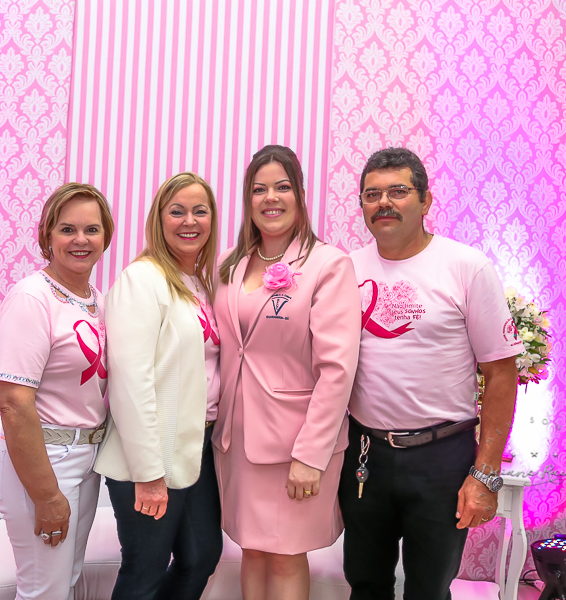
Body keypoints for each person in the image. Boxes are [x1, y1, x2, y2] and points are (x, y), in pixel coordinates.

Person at [339, 147, 522, 599]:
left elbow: (501, 374)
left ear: (425, 200)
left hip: (442, 458)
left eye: (398, 191)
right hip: (365, 455)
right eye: (372, 194)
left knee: (429, 589)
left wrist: (485, 474)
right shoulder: (345, 270)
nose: (384, 202)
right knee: (365, 584)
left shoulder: (467, 267)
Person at [213, 144, 362, 600]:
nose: (270, 198)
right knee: (253, 550)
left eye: (282, 187)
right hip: (236, 440)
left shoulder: (327, 264)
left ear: (299, 194)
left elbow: (337, 369)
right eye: (259, 189)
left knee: (285, 555)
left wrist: (311, 455)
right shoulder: (230, 264)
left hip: (295, 444)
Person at [94, 172, 223, 600]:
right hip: (151, 455)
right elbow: (131, 384)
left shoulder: (200, 283)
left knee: (201, 556)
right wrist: (149, 474)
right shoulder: (141, 280)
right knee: (145, 571)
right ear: (158, 219)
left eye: (200, 211)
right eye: (177, 211)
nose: (190, 221)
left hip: (196, 448)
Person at [0, 182, 114, 600]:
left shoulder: (96, 300)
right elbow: (12, 403)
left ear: (106, 236)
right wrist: (45, 495)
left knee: (66, 582)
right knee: (44, 591)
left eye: (91, 229)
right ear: (47, 235)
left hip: (87, 457)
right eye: (67, 229)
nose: (81, 240)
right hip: (46, 459)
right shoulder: (32, 297)